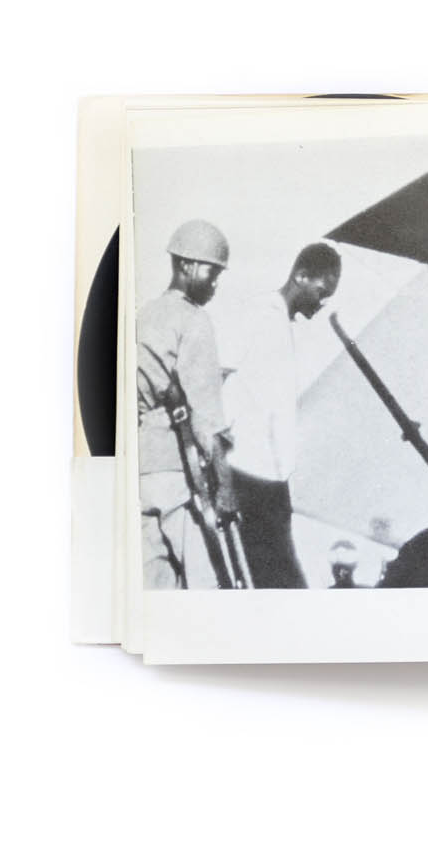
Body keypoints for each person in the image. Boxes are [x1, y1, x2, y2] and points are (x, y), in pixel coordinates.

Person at [219, 242, 342, 588]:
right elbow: (218, 377)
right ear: (301, 276)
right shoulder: (259, 312)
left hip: (273, 476)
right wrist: (219, 468)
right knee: (273, 580)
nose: (322, 303)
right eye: (321, 292)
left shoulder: (283, 324)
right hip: (244, 471)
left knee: (281, 578)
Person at [136, 220, 237, 589]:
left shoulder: (143, 316)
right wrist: (225, 487)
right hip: (181, 476)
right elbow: (207, 419)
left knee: (156, 592)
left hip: (141, 475)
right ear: (187, 265)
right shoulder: (194, 320)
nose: (215, 284)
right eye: (212, 272)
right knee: (207, 590)